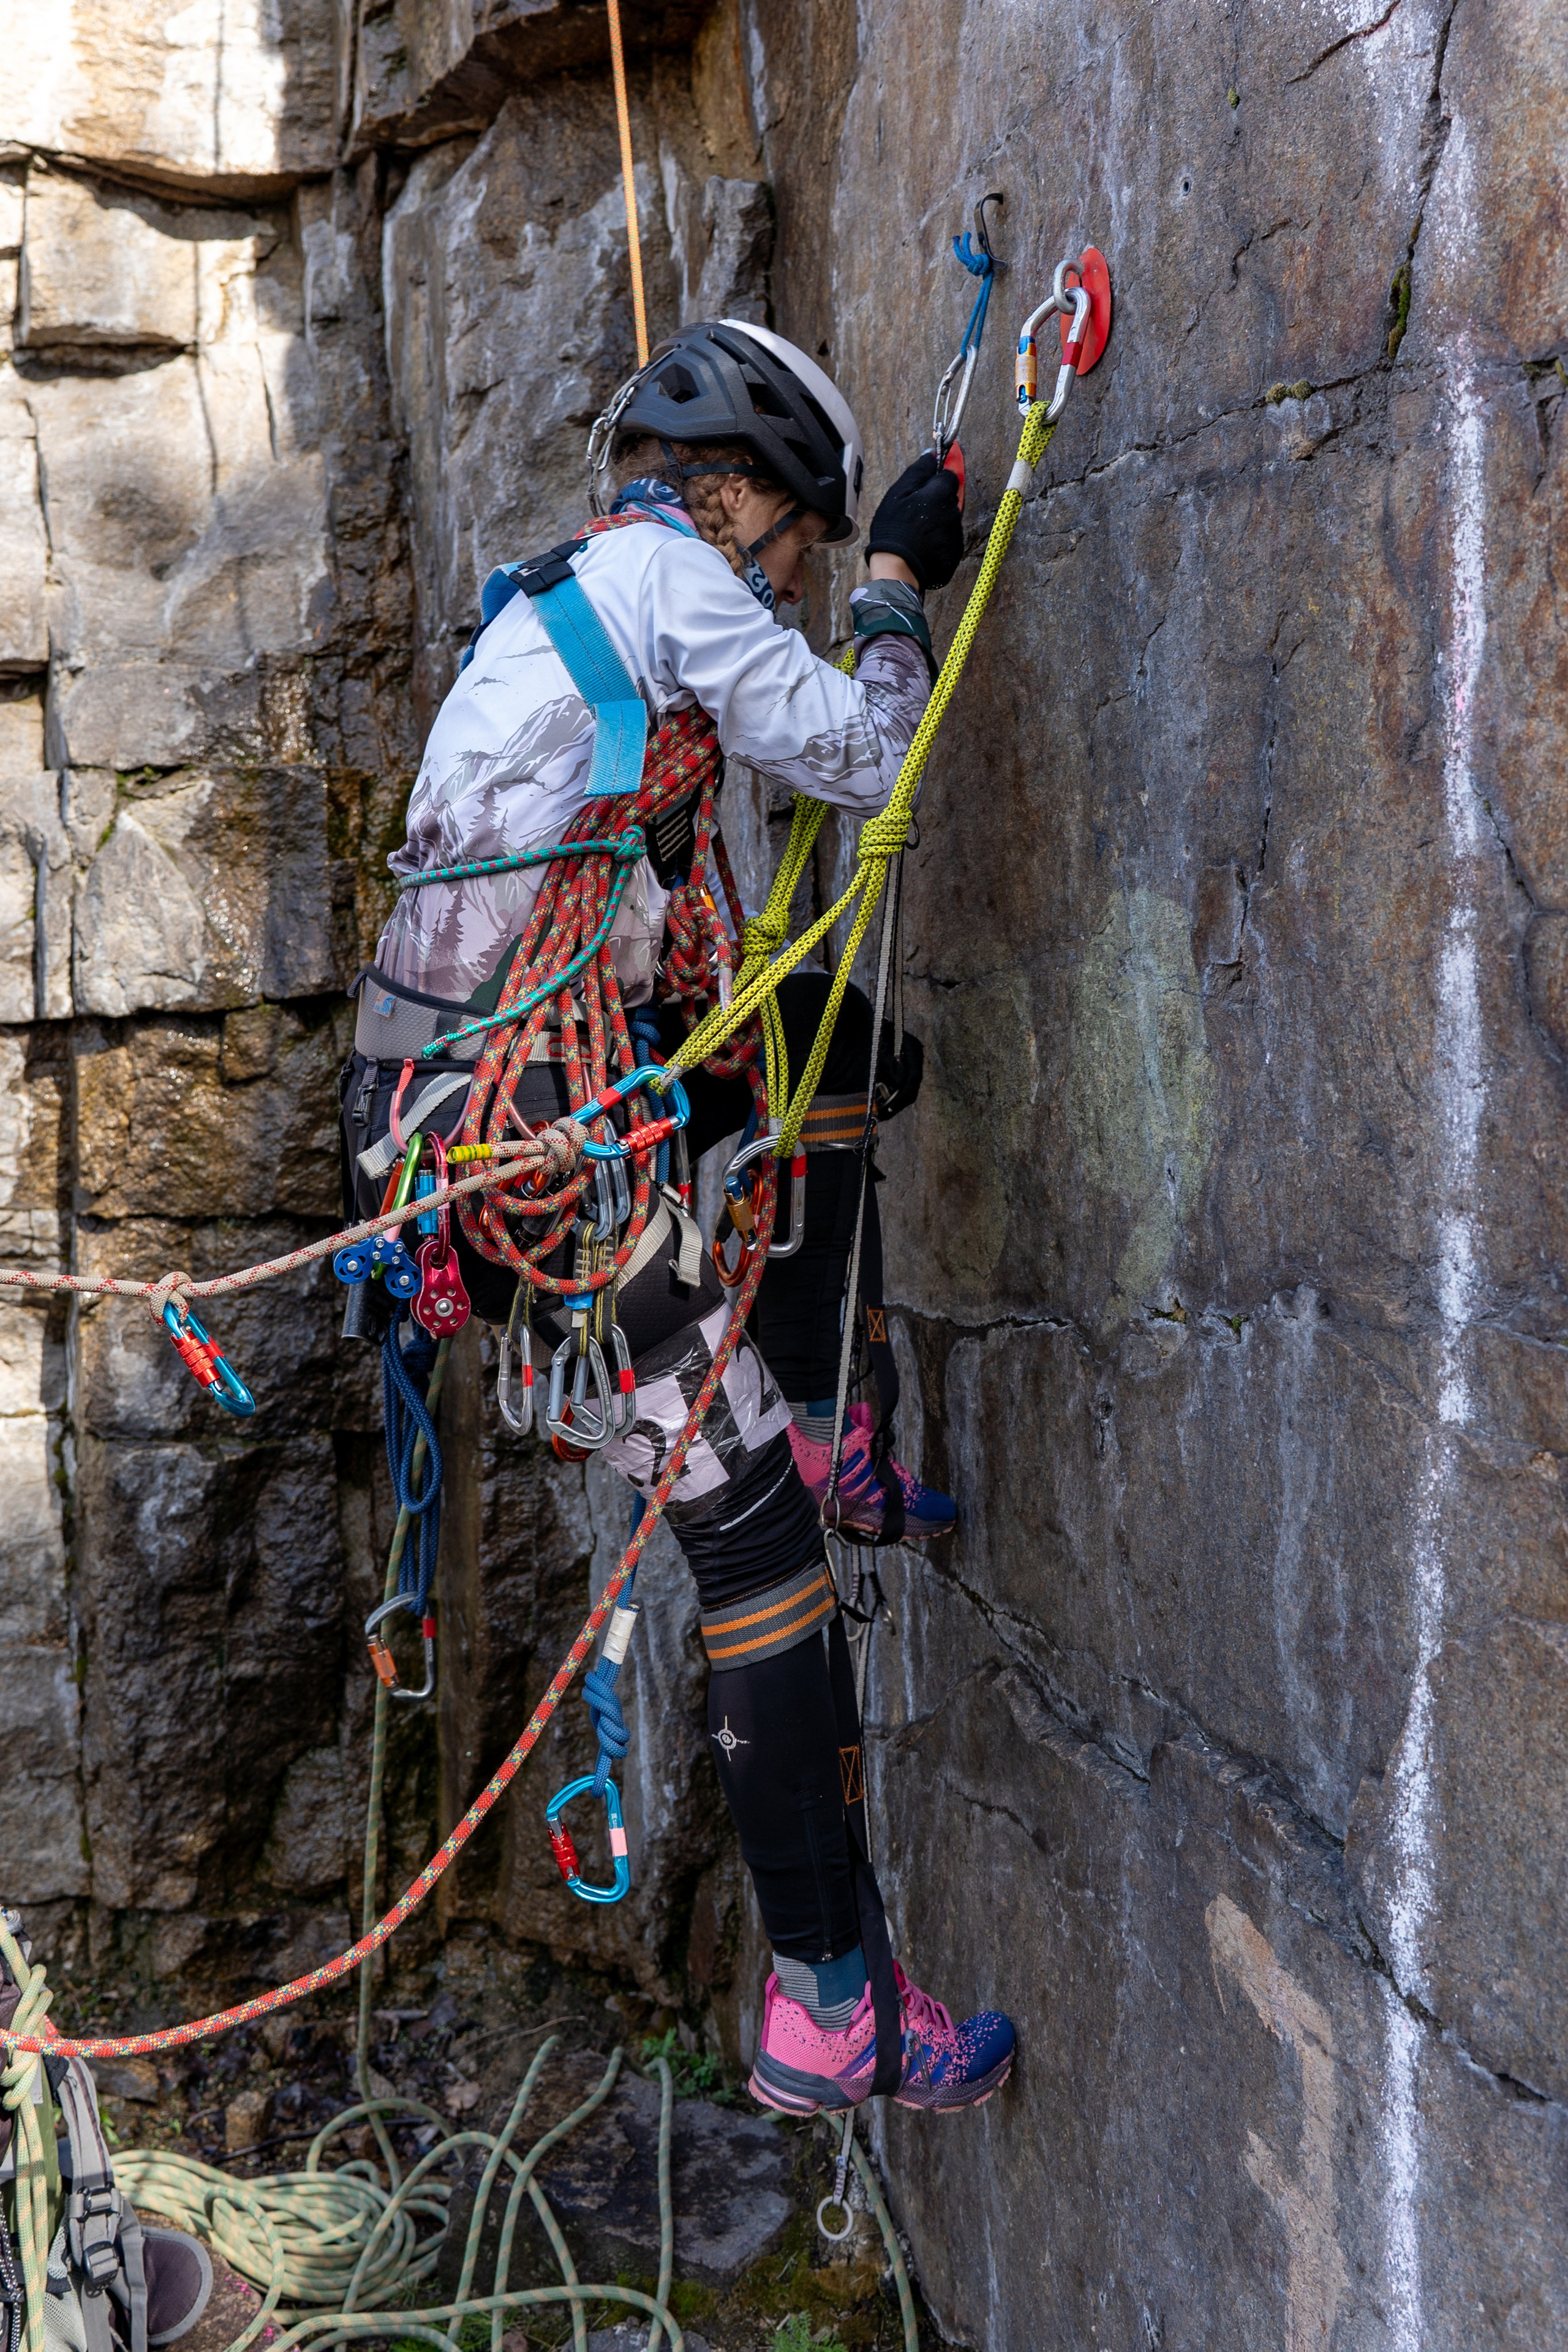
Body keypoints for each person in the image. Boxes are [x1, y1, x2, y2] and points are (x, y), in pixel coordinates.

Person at [340, 320, 1014, 2115]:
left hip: (484, 1114)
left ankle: (826, 1421)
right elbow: (868, 752)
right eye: (796, 544)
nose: (789, 582)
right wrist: (891, 587)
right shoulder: (670, 580)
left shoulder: (557, 598)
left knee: (827, 1048)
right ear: (746, 500)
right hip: (536, 1159)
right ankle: (829, 2003)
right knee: (760, 1560)